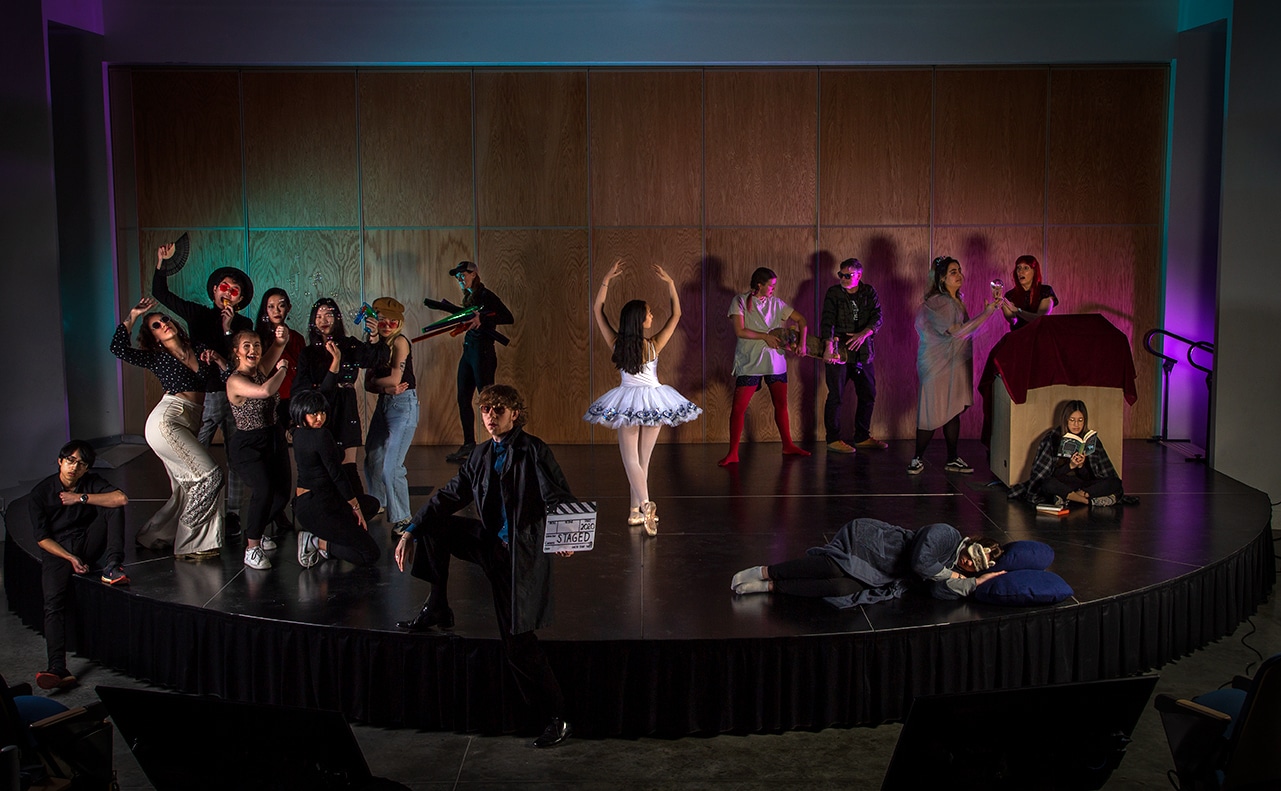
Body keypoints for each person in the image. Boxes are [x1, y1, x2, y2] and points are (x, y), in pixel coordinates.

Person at [394, 384, 575, 749]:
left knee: (518, 643)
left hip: (519, 555)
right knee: (435, 524)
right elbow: (449, 495)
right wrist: (411, 529)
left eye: (498, 410)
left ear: (515, 414)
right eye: (486, 410)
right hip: (490, 544)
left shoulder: (533, 451)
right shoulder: (479, 454)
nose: (490, 416)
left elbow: (560, 498)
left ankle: (558, 716)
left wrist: (566, 537)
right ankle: (438, 606)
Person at [584, 261, 702, 535]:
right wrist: (671, 284)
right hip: (654, 401)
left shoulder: (617, 343)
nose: (651, 316)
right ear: (640, 319)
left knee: (631, 461)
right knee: (643, 461)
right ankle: (636, 510)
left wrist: (606, 280)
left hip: (627, 402)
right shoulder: (653, 345)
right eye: (648, 313)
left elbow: (597, 311)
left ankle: (642, 507)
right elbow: (677, 314)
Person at [110, 296, 225, 560]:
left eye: (165, 320)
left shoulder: (199, 349)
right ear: (154, 338)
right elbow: (118, 348)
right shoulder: (156, 357)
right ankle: (192, 544)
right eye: (156, 326)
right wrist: (133, 315)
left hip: (190, 419)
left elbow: (223, 372)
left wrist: (219, 353)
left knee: (187, 488)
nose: (163, 324)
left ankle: (154, 535)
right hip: (167, 420)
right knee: (210, 477)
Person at [152, 244, 253, 535]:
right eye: (224, 287)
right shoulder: (197, 314)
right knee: (194, 450)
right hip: (205, 394)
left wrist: (228, 329)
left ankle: (232, 513)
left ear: (241, 298)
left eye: (234, 291)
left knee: (235, 455)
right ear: (214, 292)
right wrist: (162, 263)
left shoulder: (244, 324)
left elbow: (242, 359)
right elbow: (162, 295)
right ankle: (190, 507)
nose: (228, 293)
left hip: (236, 396)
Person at [27, 441, 129, 690]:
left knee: (112, 505)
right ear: (60, 461)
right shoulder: (40, 494)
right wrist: (70, 558)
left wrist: (80, 498)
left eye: (81, 463)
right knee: (53, 604)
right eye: (70, 460)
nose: (75, 467)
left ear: (86, 469)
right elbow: (42, 539)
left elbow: (121, 499)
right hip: (58, 550)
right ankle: (57, 668)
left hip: (86, 542)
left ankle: (113, 565)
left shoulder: (88, 482)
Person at [730, 520, 1005, 605]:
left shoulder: (957, 571)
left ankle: (770, 589)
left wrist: (973, 583)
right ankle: (765, 571)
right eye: (974, 553)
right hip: (873, 545)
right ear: (971, 543)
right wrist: (952, 575)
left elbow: (937, 590)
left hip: (882, 574)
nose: (970, 562)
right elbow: (921, 562)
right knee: (833, 566)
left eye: (976, 566)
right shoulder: (948, 535)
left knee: (840, 591)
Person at [908, 256, 1005, 476]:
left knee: (952, 411)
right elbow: (957, 331)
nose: (959, 274)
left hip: (953, 364)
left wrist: (990, 311)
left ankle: (952, 458)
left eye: (959, 270)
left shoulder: (955, 300)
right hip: (938, 365)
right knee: (931, 410)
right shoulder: (941, 302)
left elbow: (964, 331)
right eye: (953, 271)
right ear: (942, 278)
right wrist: (988, 312)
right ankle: (916, 457)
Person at [292, 298, 388, 509]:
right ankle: (324, 512)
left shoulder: (348, 344)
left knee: (348, 464)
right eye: (318, 316)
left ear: (337, 318)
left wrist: (373, 335)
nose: (323, 320)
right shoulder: (308, 353)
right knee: (324, 464)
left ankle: (357, 512)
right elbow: (302, 390)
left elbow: (375, 360)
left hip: (345, 407)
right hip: (320, 409)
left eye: (328, 314)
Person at [718, 267, 810, 466]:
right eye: (771, 285)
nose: (773, 289)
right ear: (759, 285)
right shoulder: (740, 301)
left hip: (775, 362)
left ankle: (788, 445)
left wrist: (802, 343)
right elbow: (740, 331)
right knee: (739, 408)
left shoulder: (777, 304)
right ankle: (733, 452)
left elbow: (801, 320)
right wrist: (765, 337)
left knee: (781, 404)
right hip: (750, 362)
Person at [223, 329, 292, 570]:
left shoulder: (261, 370)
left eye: (256, 345)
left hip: (273, 437)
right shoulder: (235, 380)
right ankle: (252, 547)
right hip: (248, 444)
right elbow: (265, 392)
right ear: (237, 352)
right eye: (246, 346)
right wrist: (283, 369)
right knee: (263, 489)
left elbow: (280, 344)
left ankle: (258, 529)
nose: (253, 350)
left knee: (282, 494)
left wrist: (281, 336)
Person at [291, 391, 381, 569]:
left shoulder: (298, 433)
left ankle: (328, 533)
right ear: (301, 413)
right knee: (370, 554)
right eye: (313, 414)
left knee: (371, 504)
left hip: (310, 503)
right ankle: (318, 542)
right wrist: (355, 507)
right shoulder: (321, 435)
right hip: (318, 507)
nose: (320, 418)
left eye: (322, 412)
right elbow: (338, 475)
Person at [445, 261, 514, 464]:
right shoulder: (469, 297)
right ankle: (469, 444)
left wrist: (482, 318)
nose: (459, 279)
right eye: (457, 276)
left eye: (462, 275)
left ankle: (499, 442)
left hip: (483, 352)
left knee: (488, 400)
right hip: (469, 351)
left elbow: (507, 317)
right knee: (463, 397)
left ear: (474, 274)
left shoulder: (486, 295)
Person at [363, 297, 420, 534]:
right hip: (385, 403)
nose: (386, 324)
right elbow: (367, 384)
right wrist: (383, 388)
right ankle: (378, 501)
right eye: (382, 319)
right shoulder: (375, 344)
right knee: (373, 456)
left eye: (392, 320)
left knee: (391, 467)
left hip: (403, 407)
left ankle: (403, 517)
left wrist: (380, 384)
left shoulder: (400, 343)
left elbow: (397, 380)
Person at [819, 257, 886, 454]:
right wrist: (828, 346)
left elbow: (878, 316)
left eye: (848, 275)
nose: (843, 278)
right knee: (836, 395)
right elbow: (827, 320)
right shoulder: (834, 293)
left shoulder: (868, 291)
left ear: (859, 275)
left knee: (868, 393)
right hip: (839, 350)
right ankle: (833, 439)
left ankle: (862, 436)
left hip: (863, 351)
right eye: (841, 275)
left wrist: (864, 333)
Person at [1008, 400, 1124, 508]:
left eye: (1080, 420)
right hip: (1062, 483)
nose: (1076, 425)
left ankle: (1072, 497)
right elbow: (1049, 475)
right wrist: (1070, 466)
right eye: (1072, 420)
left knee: (1115, 483)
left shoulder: (1091, 440)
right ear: (1065, 420)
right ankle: (1086, 501)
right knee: (1047, 484)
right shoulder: (1052, 439)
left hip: (1083, 486)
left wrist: (1081, 466)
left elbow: (1094, 475)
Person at [254, 287, 306, 428]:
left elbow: (301, 369)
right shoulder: (259, 338)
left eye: (281, 305)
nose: (276, 311)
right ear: (265, 310)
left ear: (288, 308)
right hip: (270, 397)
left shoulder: (297, 338)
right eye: (271, 307)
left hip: (293, 396)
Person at [1000, 254, 1058, 331]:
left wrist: (1018, 310)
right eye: (1018, 268)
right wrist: (1003, 305)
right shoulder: (1010, 295)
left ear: (1034, 271)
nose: (1021, 272)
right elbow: (1013, 321)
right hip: (1019, 337)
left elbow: (1041, 319)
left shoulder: (1045, 291)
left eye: (1026, 268)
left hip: (1039, 337)